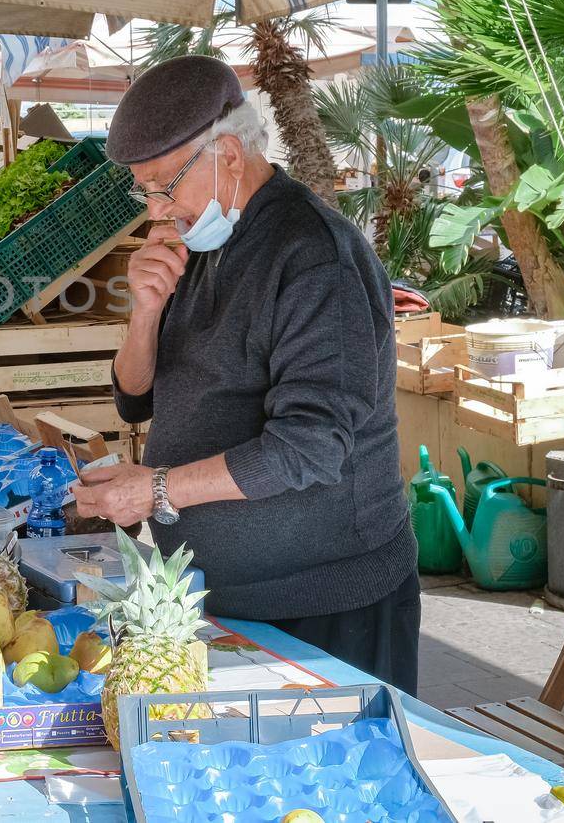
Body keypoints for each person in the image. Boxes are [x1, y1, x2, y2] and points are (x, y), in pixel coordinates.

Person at [74, 55, 418, 693]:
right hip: (225, 588)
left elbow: (310, 447)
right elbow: (135, 400)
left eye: (164, 186)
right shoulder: (207, 238)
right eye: (143, 192)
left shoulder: (316, 257)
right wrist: (144, 314)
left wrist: (158, 490)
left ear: (228, 154)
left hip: (324, 602)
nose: (156, 211)